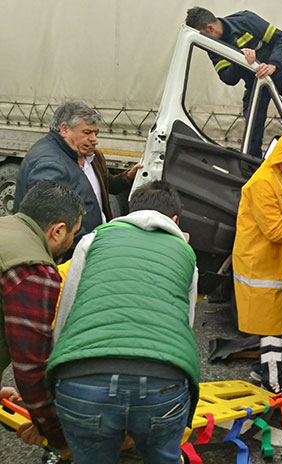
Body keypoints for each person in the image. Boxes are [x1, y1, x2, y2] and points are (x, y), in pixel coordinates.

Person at [46, 181, 200, 464]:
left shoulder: (93, 240)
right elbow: (184, 327)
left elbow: (67, 312)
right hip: (162, 383)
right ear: (174, 220)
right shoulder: (185, 254)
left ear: (130, 211)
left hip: (83, 380)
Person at [0, 181, 85, 457]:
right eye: (73, 233)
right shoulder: (32, 270)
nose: (72, 240)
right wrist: (59, 438)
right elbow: (31, 368)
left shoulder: (5, 229)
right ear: (58, 231)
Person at [185, 7, 282, 157]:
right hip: (255, 85)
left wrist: (273, 65)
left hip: (280, 74)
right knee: (253, 131)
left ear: (210, 28)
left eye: (202, 36)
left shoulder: (245, 20)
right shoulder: (212, 46)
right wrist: (240, 60)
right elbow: (228, 78)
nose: (203, 41)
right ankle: (251, 169)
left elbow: (280, 38)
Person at [233, 131, 282, 393]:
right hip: (259, 262)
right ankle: (272, 380)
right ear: (277, 159)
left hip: (278, 259)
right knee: (273, 322)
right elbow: (275, 230)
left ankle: (261, 365)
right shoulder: (262, 183)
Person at [13, 101, 141, 252]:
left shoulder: (90, 156)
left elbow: (102, 186)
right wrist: (87, 247)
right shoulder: (50, 164)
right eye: (87, 133)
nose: (94, 139)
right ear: (65, 130)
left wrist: (126, 177)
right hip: (70, 254)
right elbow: (52, 220)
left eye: (96, 133)